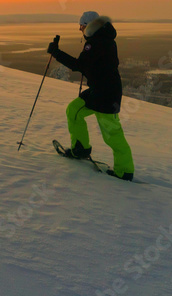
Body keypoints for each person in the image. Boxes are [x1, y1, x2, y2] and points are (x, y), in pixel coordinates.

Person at [47, 12, 135, 181]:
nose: (80, 30)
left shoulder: (95, 43)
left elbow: (78, 65)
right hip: (102, 91)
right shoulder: (104, 39)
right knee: (74, 110)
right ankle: (80, 149)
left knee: (112, 135)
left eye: (82, 26)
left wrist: (55, 52)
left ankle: (124, 171)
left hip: (104, 95)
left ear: (89, 26)